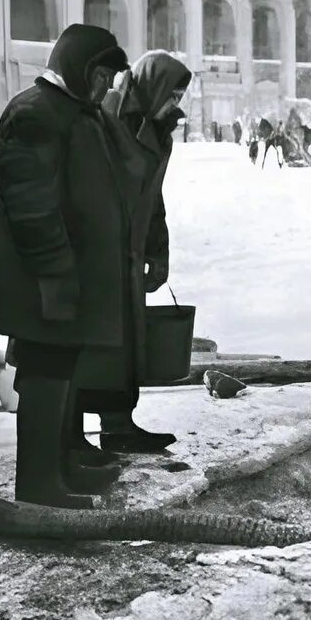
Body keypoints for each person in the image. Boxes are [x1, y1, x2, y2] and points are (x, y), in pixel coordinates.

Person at [0, 24, 130, 510]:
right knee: (45, 373)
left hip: (67, 271)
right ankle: (37, 484)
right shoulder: (35, 112)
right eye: (102, 74)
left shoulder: (73, 112)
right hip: (43, 274)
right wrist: (53, 272)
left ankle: (59, 468)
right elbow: (30, 206)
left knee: (61, 368)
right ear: (78, 67)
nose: (107, 86)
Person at [80, 50, 192, 453]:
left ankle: (119, 425)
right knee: (92, 340)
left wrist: (158, 251)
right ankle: (73, 434)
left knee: (126, 342)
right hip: (98, 247)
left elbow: (153, 196)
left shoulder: (160, 130)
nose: (175, 103)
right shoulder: (105, 116)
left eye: (180, 96)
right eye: (172, 93)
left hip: (129, 247)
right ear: (152, 85)